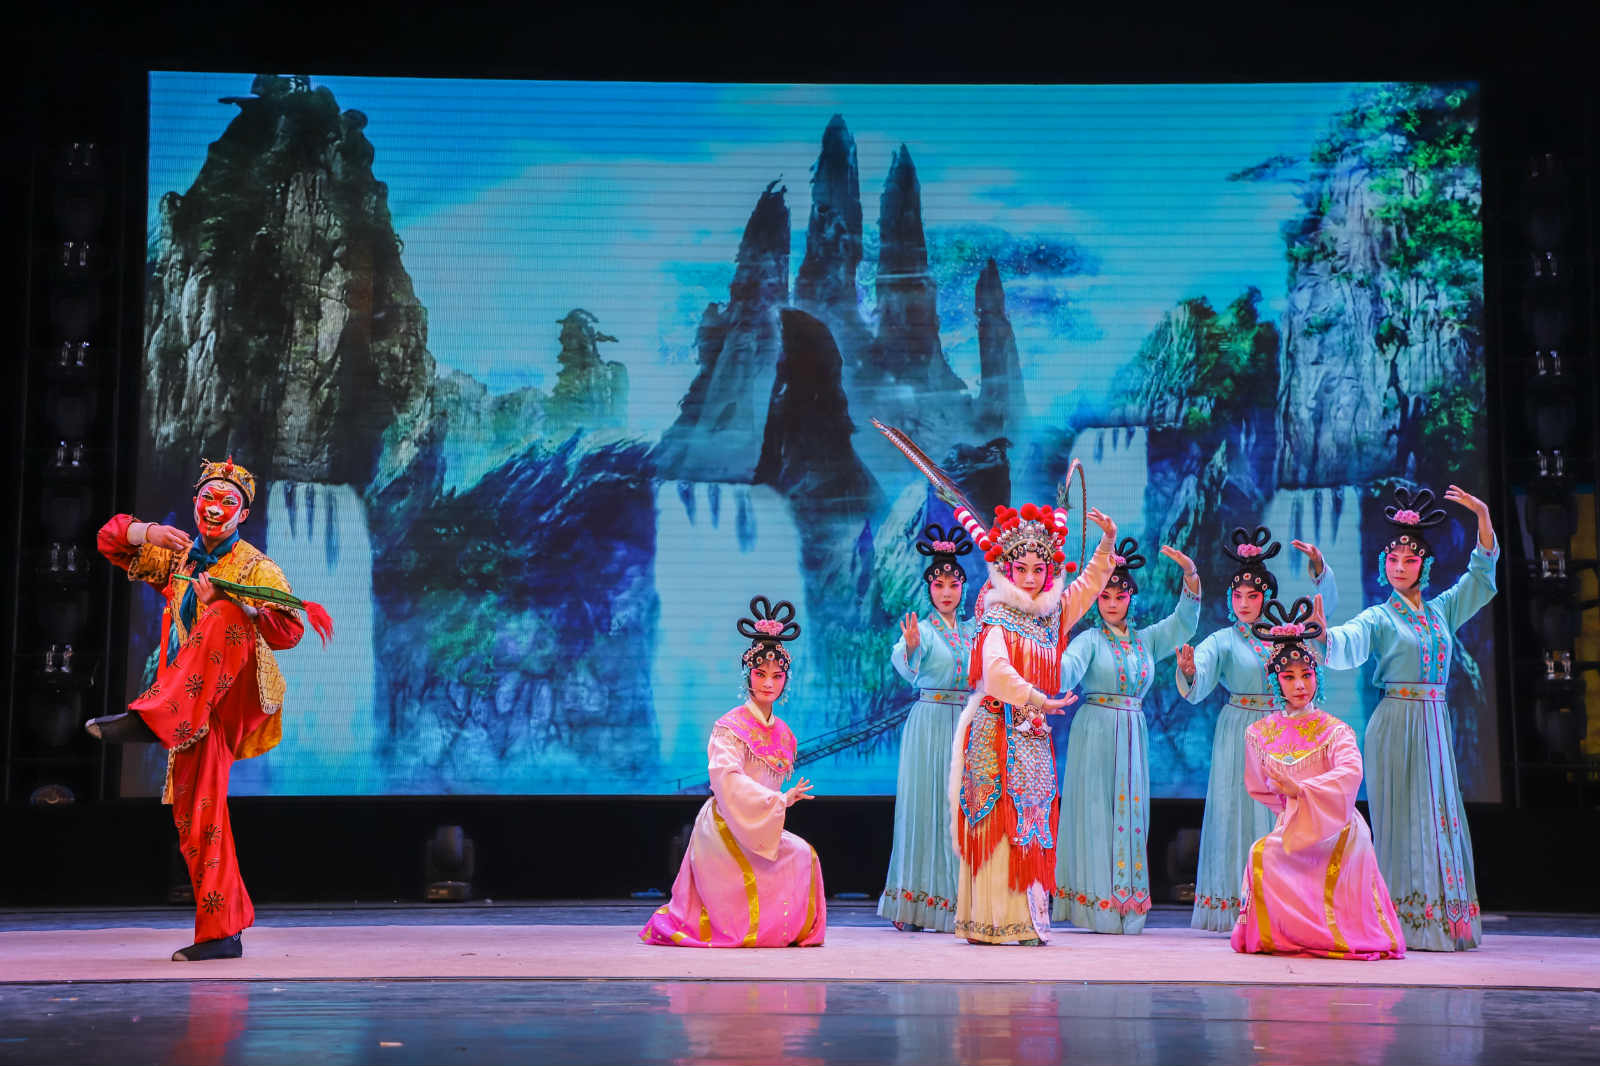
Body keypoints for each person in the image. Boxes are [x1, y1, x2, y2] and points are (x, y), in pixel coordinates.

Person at [88, 458, 330, 961]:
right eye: (208, 498)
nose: (216, 508)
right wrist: (149, 531)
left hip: (232, 695)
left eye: (228, 502)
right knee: (198, 818)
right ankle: (222, 933)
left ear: (243, 514)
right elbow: (110, 541)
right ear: (195, 502)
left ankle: (151, 718)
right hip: (190, 704)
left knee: (223, 612)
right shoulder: (178, 557)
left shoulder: (256, 566)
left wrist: (244, 605)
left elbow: (290, 631)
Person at [1317, 485, 1498, 951]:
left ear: (1424, 566)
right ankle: (1404, 919)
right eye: (1393, 560)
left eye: (1410, 560)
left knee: (1439, 815)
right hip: (1396, 722)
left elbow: (1479, 578)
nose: (1400, 567)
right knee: (1404, 819)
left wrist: (1482, 516)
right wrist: (1322, 636)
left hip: (1433, 721)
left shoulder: (1441, 611)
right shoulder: (1378, 618)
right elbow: (1347, 641)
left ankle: (1444, 919)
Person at [951, 501, 1119, 944]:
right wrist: (1038, 699)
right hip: (995, 728)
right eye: (1021, 569)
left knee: (1033, 819)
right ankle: (993, 922)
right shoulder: (996, 615)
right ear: (1007, 569)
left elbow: (1088, 584)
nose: (1029, 578)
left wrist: (1106, 542)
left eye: (1038, 569)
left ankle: (1026, 922)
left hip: (1033, 733)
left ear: (1048, 571)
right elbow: (996, 672)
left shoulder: (1051, 614)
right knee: (998, 820)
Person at [1174, 526, 1336, 932]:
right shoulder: (1223, 640)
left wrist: (1320, 572)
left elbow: (1315, 648)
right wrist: (1190, 670)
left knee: (1280, 812)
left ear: (1267, 598)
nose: (1243, 603)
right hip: (1239, 732)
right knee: (1235, 809)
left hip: (1280, 733)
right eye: (1237, 596)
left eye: (1252, 596)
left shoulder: (1281, 638)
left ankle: (1279, 902)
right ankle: (1235, 903)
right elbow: (1201, 669)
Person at [640, 596, 826, 948]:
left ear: (785, 681)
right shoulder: (730, 727)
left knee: (804, 854)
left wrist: (776, 803)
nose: (768, 683)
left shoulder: (785, 734)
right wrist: (779, 799)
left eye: (777, 676)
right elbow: (728, 780)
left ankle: (784, 931)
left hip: (758, 826)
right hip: (725, 825)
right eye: (760, 674)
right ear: (748, 676)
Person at [1231, 596, 1405, 960]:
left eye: (1307, 675)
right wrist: (1291, 806)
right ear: (1277, 682)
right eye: (1289, 677)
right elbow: (1260, 787)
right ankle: (1285, 937)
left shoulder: (1335, 730)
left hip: (1338, 826)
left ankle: (1329, 936)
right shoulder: (1259, 733)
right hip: (1294, 824)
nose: (1299, 685)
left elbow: (1350, 772)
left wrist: (1302, 789)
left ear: (1317, 677)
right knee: (1261, 853)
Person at [1053, 537, 1200, 933]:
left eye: (1119, 596)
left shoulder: (1146, 640)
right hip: (1095, 731)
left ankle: (1128, 906)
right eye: (1104, 597)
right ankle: (1097, 906)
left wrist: (1190, 574)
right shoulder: (1088, 640)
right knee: (1096, 813)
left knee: (1130, 815)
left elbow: (1183, 623)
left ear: (1131, 598)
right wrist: (1050, 640)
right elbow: (1065, 673)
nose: (1112, 603)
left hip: (1132, 732)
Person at [878, 524, 979, 933]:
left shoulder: (973, 630)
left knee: (962, 810)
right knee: (926, 807)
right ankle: (917, 904)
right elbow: (903, 661)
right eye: (939, 585)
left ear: (963, 587)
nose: (946, 592)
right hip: (930, 723)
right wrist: (912, 647)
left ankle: (962, 902)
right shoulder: (922, 629)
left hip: (967, 724)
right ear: (929, 590)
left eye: (953, 584)